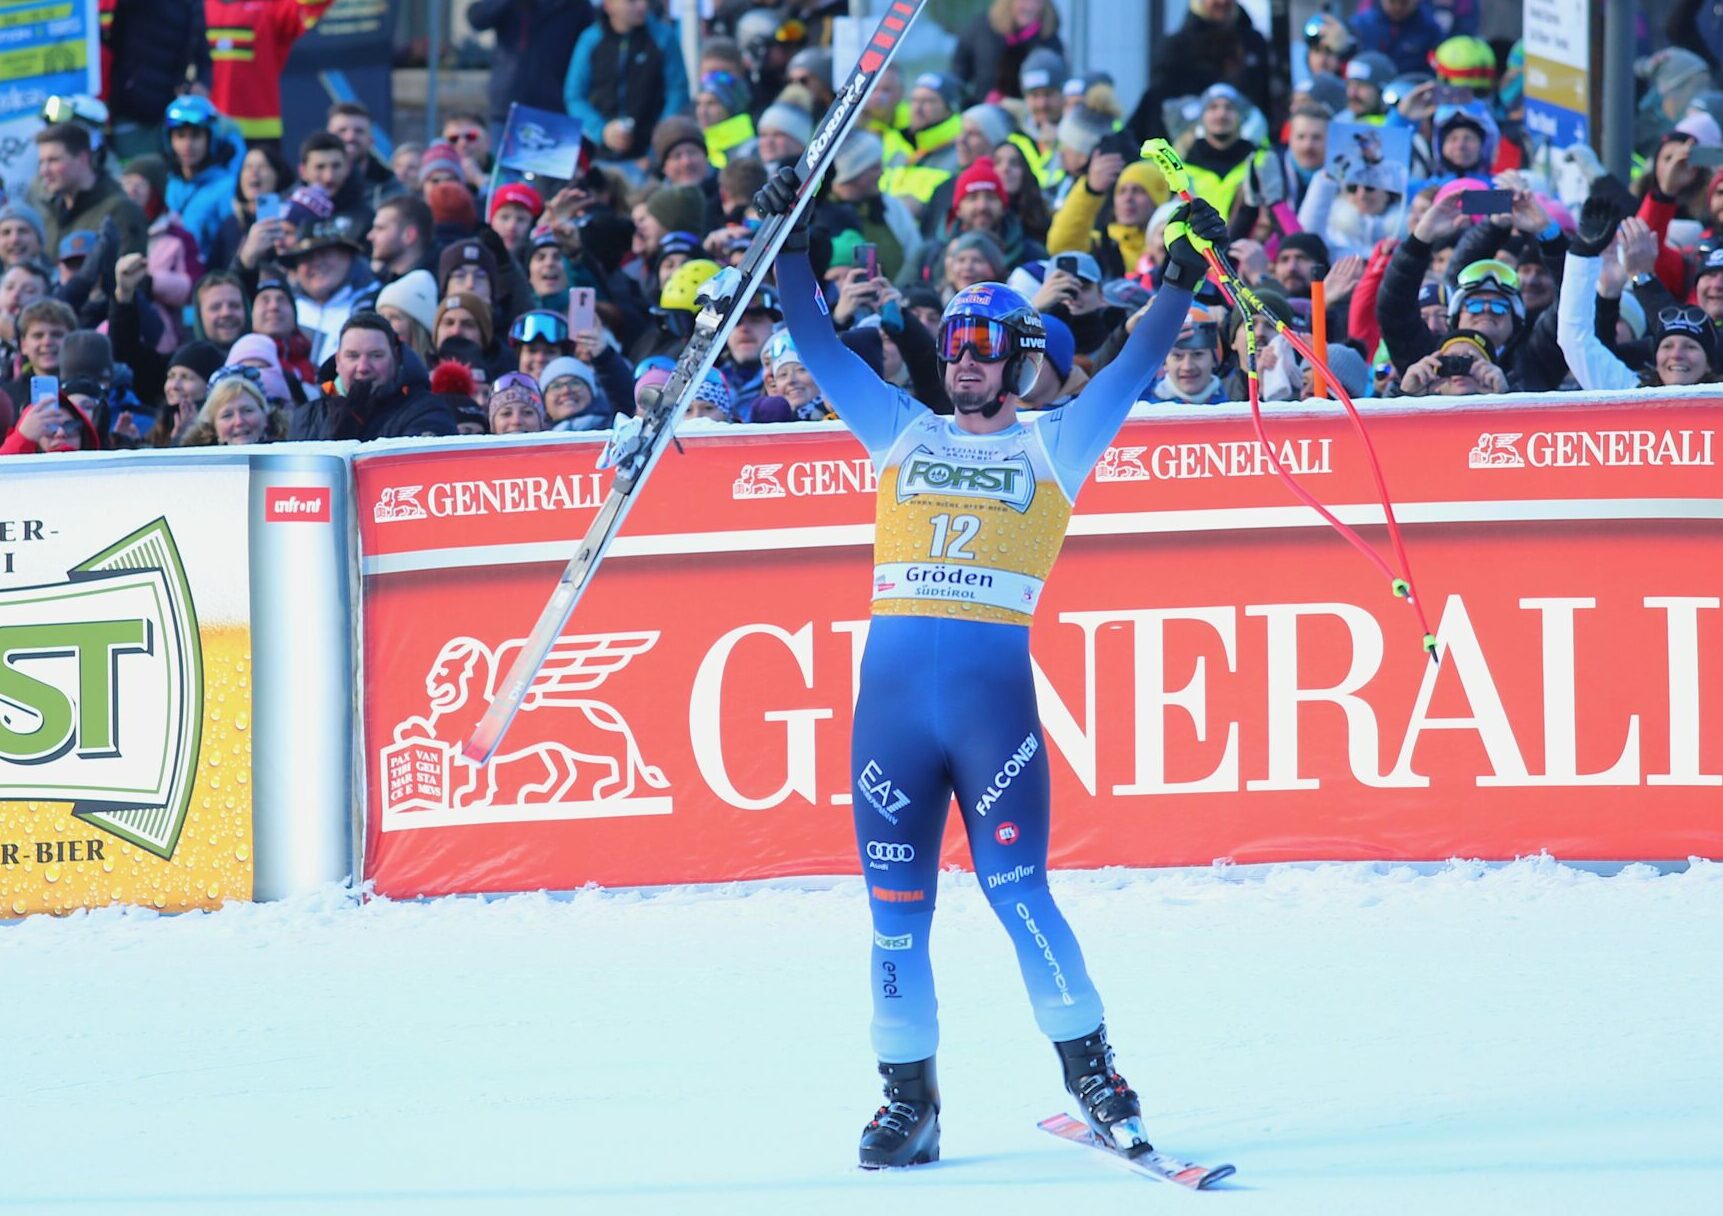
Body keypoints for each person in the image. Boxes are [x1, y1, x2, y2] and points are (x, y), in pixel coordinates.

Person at [755, 163, 1229, 1170]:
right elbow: (812, 341)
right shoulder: (898, 430)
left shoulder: (1059, 443)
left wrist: (1180, 276)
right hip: (888, 713)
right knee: (894, 922)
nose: (961, 360)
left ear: (1018, 361)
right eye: (954, 343)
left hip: (988, 711)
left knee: (1020, 894)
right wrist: (793, 241)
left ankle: (1099, 1079)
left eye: (983, 347)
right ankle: (907, 1104)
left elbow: (1136, 361)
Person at [563, 0, 691, 171]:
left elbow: (677, 91)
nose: (642, 6)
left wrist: (659, 146)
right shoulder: (590, 39)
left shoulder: (663, 37)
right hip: (601, 157)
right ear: (609, 5)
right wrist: (602, 131)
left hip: (648, 159)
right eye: (631, 1)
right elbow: (574, 96)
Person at [289, 311, 457, 440]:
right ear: (338, 361)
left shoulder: (427, 411)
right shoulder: (307, 416)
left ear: (396, 358)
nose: (362, 367)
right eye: (353, 356)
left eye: (376, 355)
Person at [203, 0, 334, 146]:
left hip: (260, 130)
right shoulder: (196, 5)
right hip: (203, 129)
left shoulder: (271, 5)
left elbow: (306, 8)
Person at [468, 0, 594, 137]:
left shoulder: (577, 6)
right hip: (508, 108)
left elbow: (592, 48)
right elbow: (477, 19)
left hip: (556, 108)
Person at [34, 123, 148, 258]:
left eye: (53, 160)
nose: (44, 171)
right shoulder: (50, 215)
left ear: (83, 159)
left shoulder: (120, 210)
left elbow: (128, 273)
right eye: (41, 162)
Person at [951, 0, 1064, 105]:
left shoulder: (1049, 41)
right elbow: (959, 72)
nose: (1030, 6)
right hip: (983, 107)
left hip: (1027, 112)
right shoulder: (982, 29)